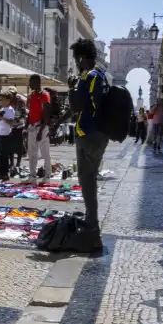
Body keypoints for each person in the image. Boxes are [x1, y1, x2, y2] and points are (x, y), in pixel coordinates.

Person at [62, 38, 110, 250]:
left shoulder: (87, 77)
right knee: (88, 178)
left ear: (82, 58)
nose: (75, 63)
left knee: (87, 179)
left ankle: (93, 228)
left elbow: (76, 107)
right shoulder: (101, 75)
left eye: (76, 59)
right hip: (99, 133)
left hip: (88, 134)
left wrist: (71, 88)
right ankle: (92, 224)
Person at [26, 74, 52, 183]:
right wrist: (26, 127)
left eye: (31, 82)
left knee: (45, 153)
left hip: (42, 126)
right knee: (32, 153)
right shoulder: (31, 95)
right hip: (32, 127)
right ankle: (32, 176)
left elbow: (47, 113)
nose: (30, 84)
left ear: (38, 82)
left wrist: (41, 130)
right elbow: (30, 113)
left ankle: (47, 176)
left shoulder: (44, 95)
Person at [0, 92, 17, 181]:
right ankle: (1, 172)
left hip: (6, 134)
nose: (0, 101)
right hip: (0, 133)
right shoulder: (2, 108)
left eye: (2, 99)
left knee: (4, 155)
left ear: (8, 100)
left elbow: (11, 121)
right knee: (0, 155)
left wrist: (0, 117)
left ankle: (5, 174)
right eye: (0, 99)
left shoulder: (10, 109)